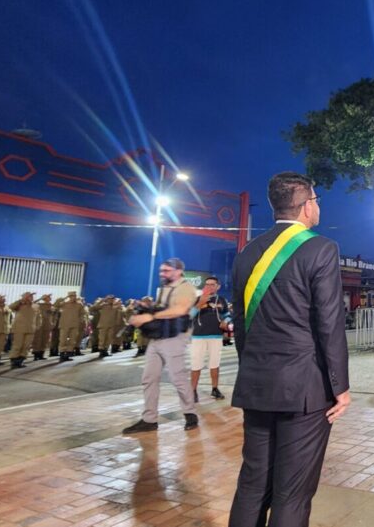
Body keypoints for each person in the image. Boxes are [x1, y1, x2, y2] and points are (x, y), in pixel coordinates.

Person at [228, 171, 350, 527]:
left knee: (252, 485)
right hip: (305, 391)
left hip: (256, 384)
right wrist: (339, 386)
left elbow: (240, 324)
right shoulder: (321, 249)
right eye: (316, 200)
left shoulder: (247, 253)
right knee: (292, 493)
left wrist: (254, 369)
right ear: (305, 205)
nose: (317, 206)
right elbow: (330, 324)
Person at [123, 257, 199, 433]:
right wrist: (147, 308)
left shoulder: (186, 288)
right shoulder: (165, 288)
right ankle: (149, 419)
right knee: (149, 378)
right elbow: (163, 309)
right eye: (161, 271)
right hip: (158, 337)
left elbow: (180, 310)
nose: (162, 274)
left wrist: (150, 317)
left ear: (178, 271)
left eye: (166, 271)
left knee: (177, 377)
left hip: (174, 338)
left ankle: (190, 413)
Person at [191, 276, 230, 402]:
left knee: (215, 364)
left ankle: (215, 389)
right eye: (207, 284)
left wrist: (225, 321)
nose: (209, 286)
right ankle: (193, 390)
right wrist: (199, 304)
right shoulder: (197, 299)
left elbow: (228, 315)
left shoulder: (222, 300)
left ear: (217, 286)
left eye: (212, 284)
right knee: (196, 364)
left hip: (216, 336)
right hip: (198, 336)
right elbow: (189, 315)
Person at [8, 292, 41, 369]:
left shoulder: (35, 306)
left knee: (26, 346)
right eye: (29, 296)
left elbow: (39, 317)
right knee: (17, 345)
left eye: (31, 296)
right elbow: (10, 307)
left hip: (30, 329)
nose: (31, 297)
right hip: (19, 328)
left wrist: (37, 326)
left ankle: (20, 361)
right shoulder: (19, 304)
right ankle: (14, 362)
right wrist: (21, 300)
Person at [56, 292, 84, 362]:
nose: (73, 297)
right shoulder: (64, 304)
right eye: (71, 296)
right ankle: (62, 355)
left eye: (74, 296)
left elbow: (82, 314)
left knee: (72, 340)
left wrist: (80, 321)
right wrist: (65, 298)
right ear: (69, 297)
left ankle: (68, 354)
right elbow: (56, 305)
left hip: (74, 325)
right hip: (64, 324)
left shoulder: (79, 305)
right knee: (63, 340)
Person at [31, 294, 54, 361]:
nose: (49, 298)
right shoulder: (39, 305)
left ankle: (41, 354)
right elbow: (33, 303)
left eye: (49, 297)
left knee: (45, 340)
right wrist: (40, 298)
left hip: (47, 324)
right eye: (47, 297)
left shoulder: (51, 306)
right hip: (40, 324)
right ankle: (36, 354)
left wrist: (53, 323)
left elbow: (53, 315)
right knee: (37, 339)